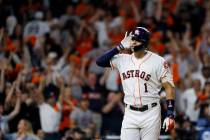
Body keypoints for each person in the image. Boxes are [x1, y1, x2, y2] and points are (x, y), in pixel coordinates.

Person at [96, 27, 176, 140]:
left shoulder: (159, 61)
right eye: (132, 39)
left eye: (137, 40)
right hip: (130, 114)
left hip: (151, 113)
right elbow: (99, 62)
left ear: (145, 43)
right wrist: (119, 47)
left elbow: (169, 88)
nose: (133, 42)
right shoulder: (122, 59)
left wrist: (170, 114)